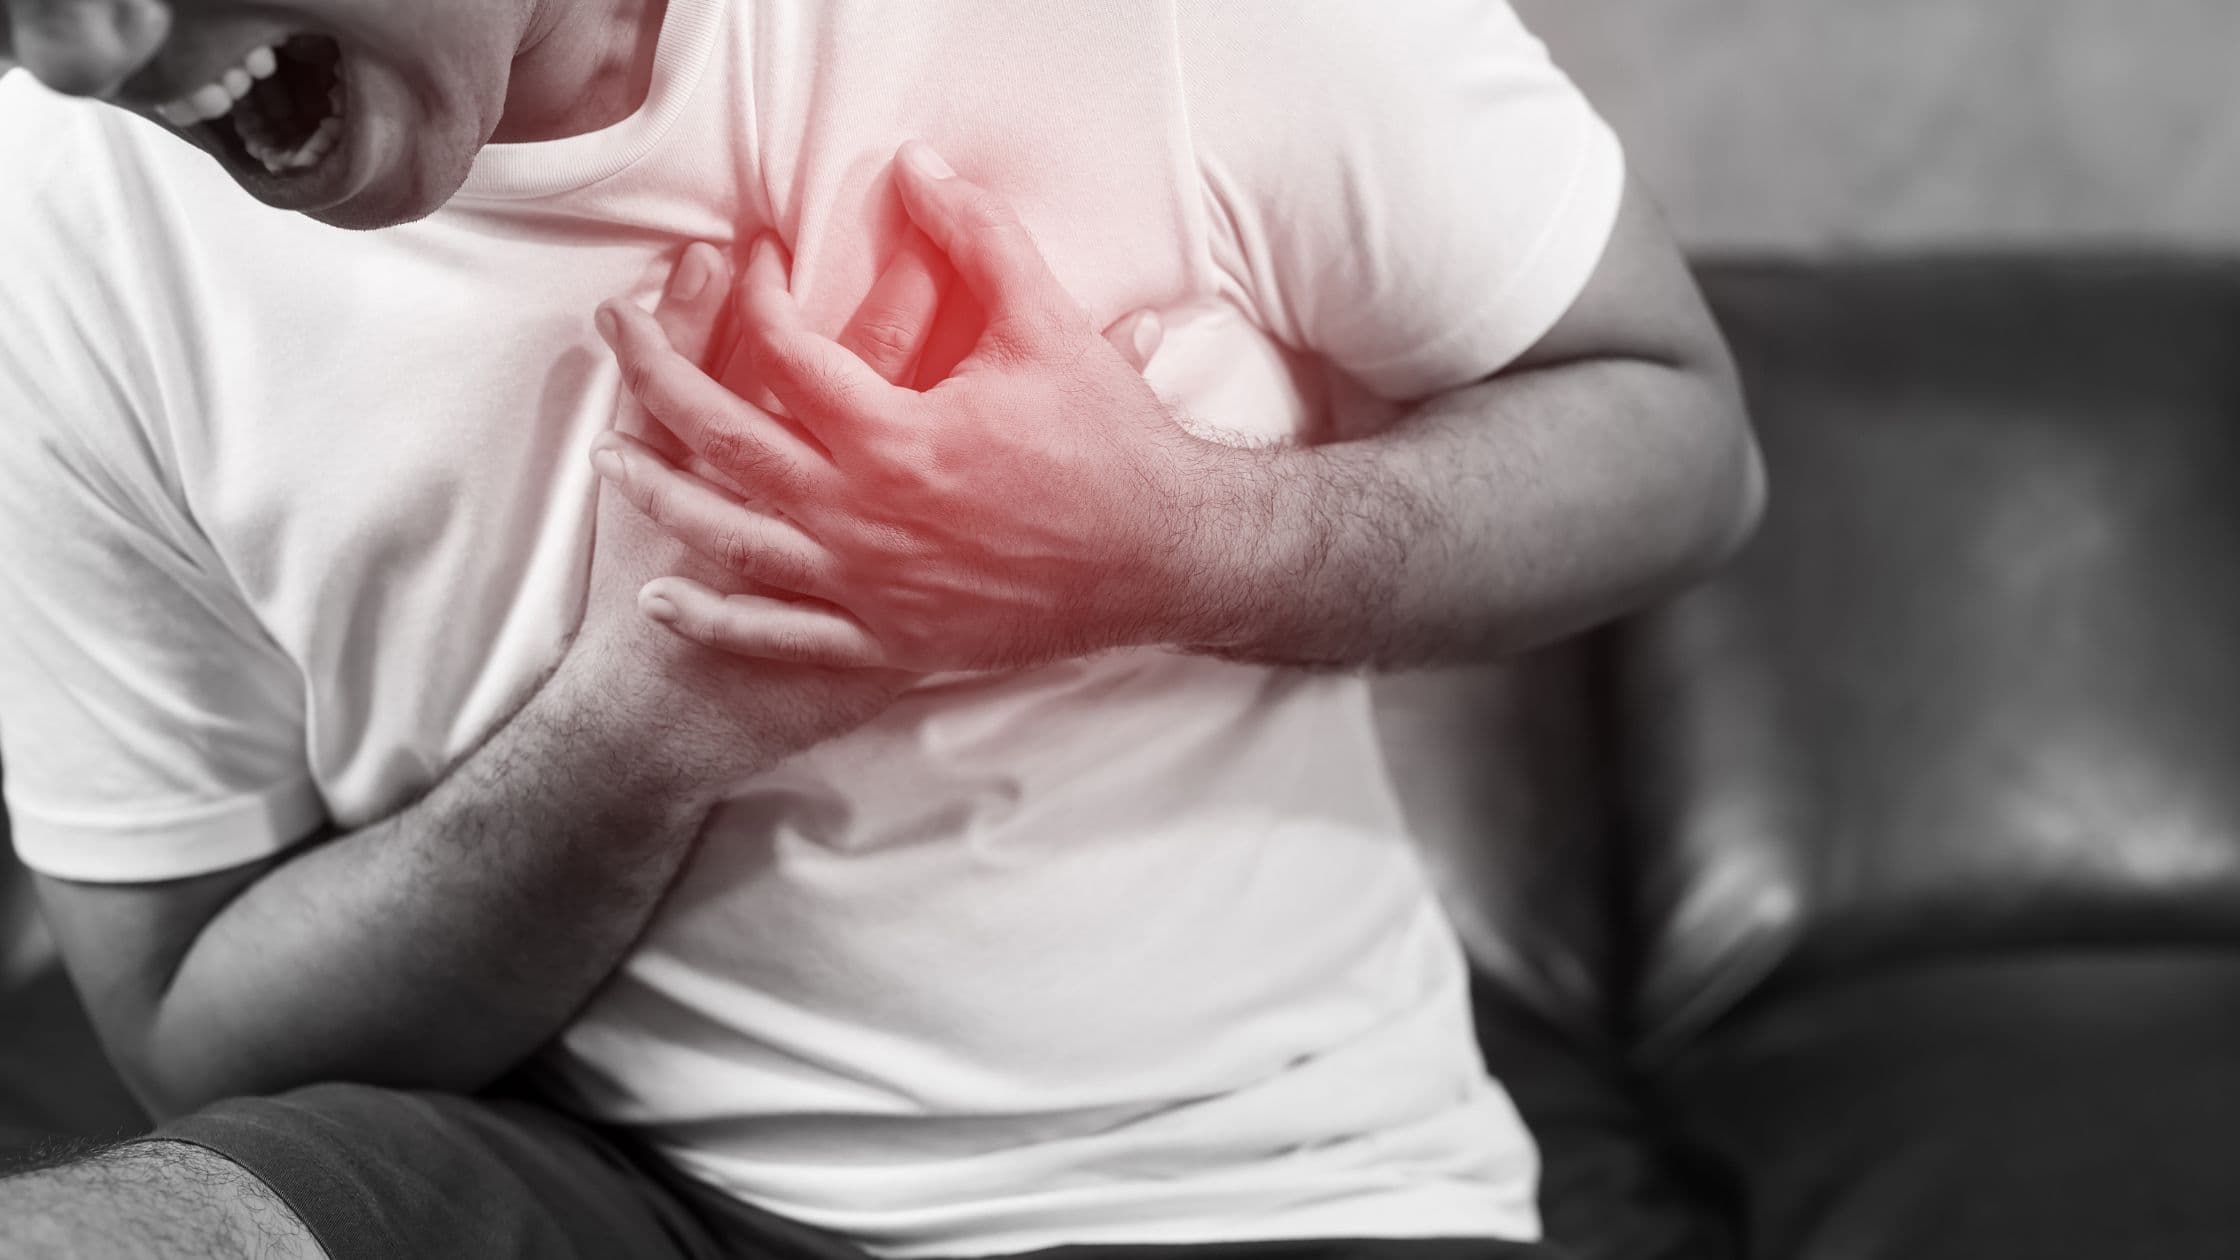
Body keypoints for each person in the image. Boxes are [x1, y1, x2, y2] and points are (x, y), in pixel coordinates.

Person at [0, 1, 1761, 1257]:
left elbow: (1678, 438)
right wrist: (646, 718)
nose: (77, 53)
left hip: (1253, 1183)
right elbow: (190, 1040)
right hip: (567, 1175)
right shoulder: (49, 209)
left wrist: (1165, 547)